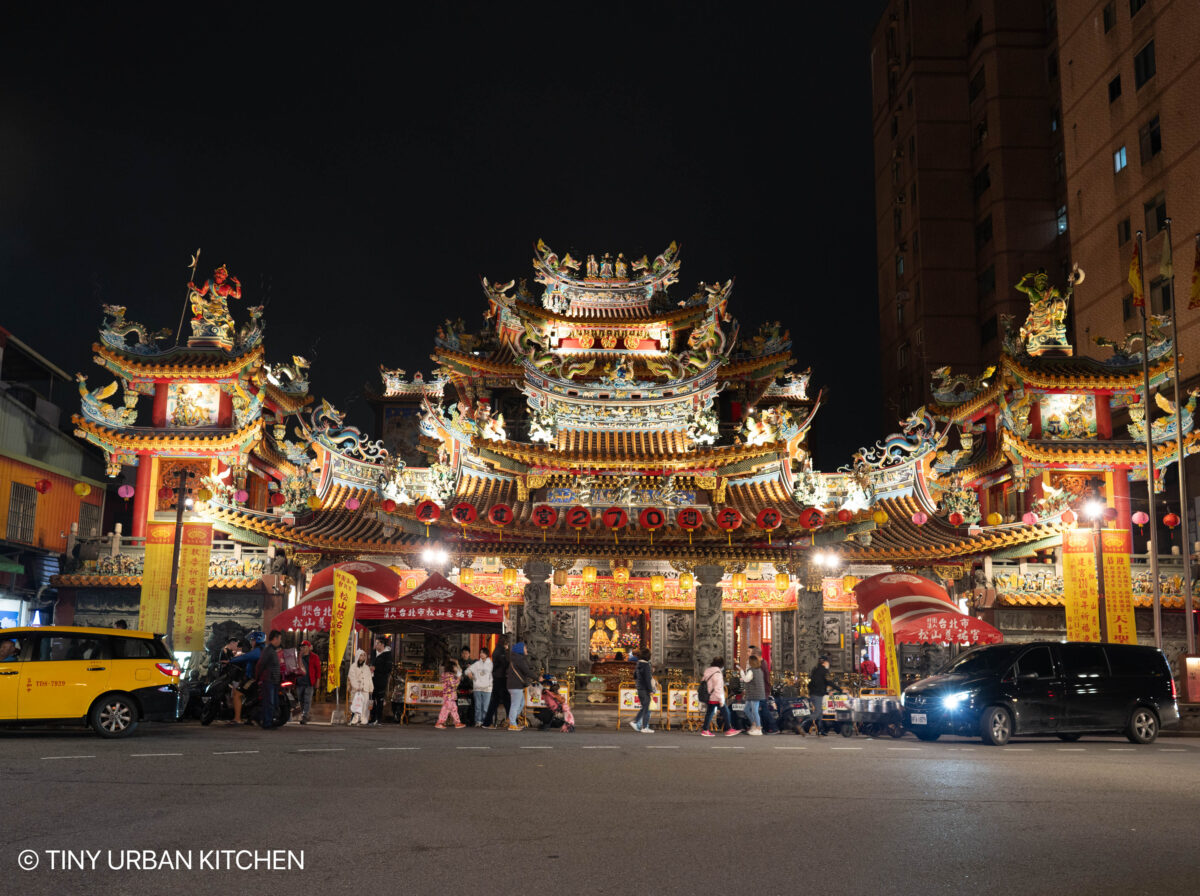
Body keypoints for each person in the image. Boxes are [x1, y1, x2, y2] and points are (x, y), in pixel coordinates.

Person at [700, 657, 741, 737]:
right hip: (716, 697)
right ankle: (729, 729)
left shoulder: (708, 671)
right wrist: (721, 699)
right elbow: (718, 688)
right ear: (721, 665)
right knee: (726, 712)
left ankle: (705, 729)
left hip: (709, 696)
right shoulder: (717, 674)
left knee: (710, 713)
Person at [228, 634, 263, 725]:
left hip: (253, 679)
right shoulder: (262, 649)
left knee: (237, 693)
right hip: (258, 678)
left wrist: (230, 660)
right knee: (248, 698)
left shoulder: (258, 651)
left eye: (253, 640)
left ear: (258, 640)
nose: (251, 642)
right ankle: (250, 718)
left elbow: (245, 657)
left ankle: (237, 719)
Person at [255, 629, 283, 729]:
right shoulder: (268, 650)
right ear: (275, 639)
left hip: (274, 681)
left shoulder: (273, 650)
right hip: (269, 680)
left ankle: (269, 721)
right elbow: (261, 664)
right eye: (280, 639)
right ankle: (267, 723)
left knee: (273, 702)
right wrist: (257, 678)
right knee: (269, 702)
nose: (280, 641)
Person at [483, 635, 511, 728]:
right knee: (505, 700)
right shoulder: (501, 651)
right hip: (501, 678)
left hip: (497, 677)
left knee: (495, 701)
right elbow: (506, 663)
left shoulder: (496, 650)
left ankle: (487, 722)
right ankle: (511, 720)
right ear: (505, 642)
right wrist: (507, 651)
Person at [506, 640, 534, 731]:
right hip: (515, 686)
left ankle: (512, 719)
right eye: (525, 648)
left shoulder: (517, 658)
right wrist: (537, 678)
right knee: (515, 705)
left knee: (521, 704)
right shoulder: (519, 659)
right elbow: (527, 671)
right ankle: (512, 724)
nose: (527, 649)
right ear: (520, 649)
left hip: (515, 686)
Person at [294, 640, 322, 724]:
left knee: (307, 699)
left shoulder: (314, 657)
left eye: (304, 647)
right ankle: (305, 714)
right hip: (299, 682)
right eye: (301, 647)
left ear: (309, 648)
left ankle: (305, 716)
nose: (302, 648)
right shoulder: (298, 657)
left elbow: (318, 670)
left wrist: (318, 681)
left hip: (309, 682)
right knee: (301, 699)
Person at [465, 646, 493, 727]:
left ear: (487, 654)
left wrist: (491, 684)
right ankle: (478, 721)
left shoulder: (491, 664)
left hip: (487, 689)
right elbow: (467, 671)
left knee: (485, 707)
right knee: (478, 706)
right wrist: (469, 673)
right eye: (480, 652)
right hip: (477, 688)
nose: (481, 654)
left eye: (483, 653)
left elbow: (493, 676)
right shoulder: (477, 664)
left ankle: (485, 721)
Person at [807, 656, 835, 736]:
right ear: (825, 662)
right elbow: (828, 682)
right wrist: (840, 689)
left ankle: (820, 730)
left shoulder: (815, 670)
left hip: (815, 693)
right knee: (818, 711)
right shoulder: (823, 671)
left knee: (820, 713)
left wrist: (826, 692)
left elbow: (819, 684)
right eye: (828, 662)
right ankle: (803, 723)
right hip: (817, 694)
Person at [435, 660, 466, 729]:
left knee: (453, 709)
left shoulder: (446, 674)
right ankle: (440, 722)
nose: (456, 668)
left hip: (449, 695)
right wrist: (458, 679)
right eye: (455, 667)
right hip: (449, 695)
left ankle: (457, 722)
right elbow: (453, 684)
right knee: (446, 709)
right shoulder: (449, 675)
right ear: (452, 667)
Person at [739, 656, 767, 735]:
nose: (747, 663)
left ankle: (758, 728)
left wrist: (741, 672)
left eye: (748, 662)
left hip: (754, 694)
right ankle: (754, 724)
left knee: (754, 710)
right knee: (746, 709)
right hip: (754, 693)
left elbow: (746, 680)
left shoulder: (751, 671)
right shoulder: (759, 670)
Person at [369, 638, 393, 725]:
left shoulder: (387, 654)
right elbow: (371, 662)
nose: (376, 645)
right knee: (372, 698)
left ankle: (378, 718)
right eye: (375, 643)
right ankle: (372, 717)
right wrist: (371, 667)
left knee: (379, 699)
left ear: (383, 644)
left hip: (381, 679)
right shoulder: (373, 652)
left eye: (378, 643)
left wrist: (376, 668)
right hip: (372, 679)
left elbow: (388, 668)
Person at [630, 647, 655, 733]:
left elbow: (634, 676)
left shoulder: (638, 664)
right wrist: (651, 690)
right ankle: (642, 726)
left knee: (644, 707)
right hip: (645, 689)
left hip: (639, 688)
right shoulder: (646, 665)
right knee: (646, 708)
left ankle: (638, 723)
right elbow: (648, 679)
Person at [348, 649, 373, 726]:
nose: (362, 657)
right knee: (357, 705)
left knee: (365, 705)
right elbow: (352, 678)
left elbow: (369, 679)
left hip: (365, 689)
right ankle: (355, 719)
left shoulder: (367, 668)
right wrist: (356, 686)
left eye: (364, 656)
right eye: (361, 655)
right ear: (358, 656)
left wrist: (371, 688)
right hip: (357, 690)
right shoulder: (353, 667)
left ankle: (364, 719)